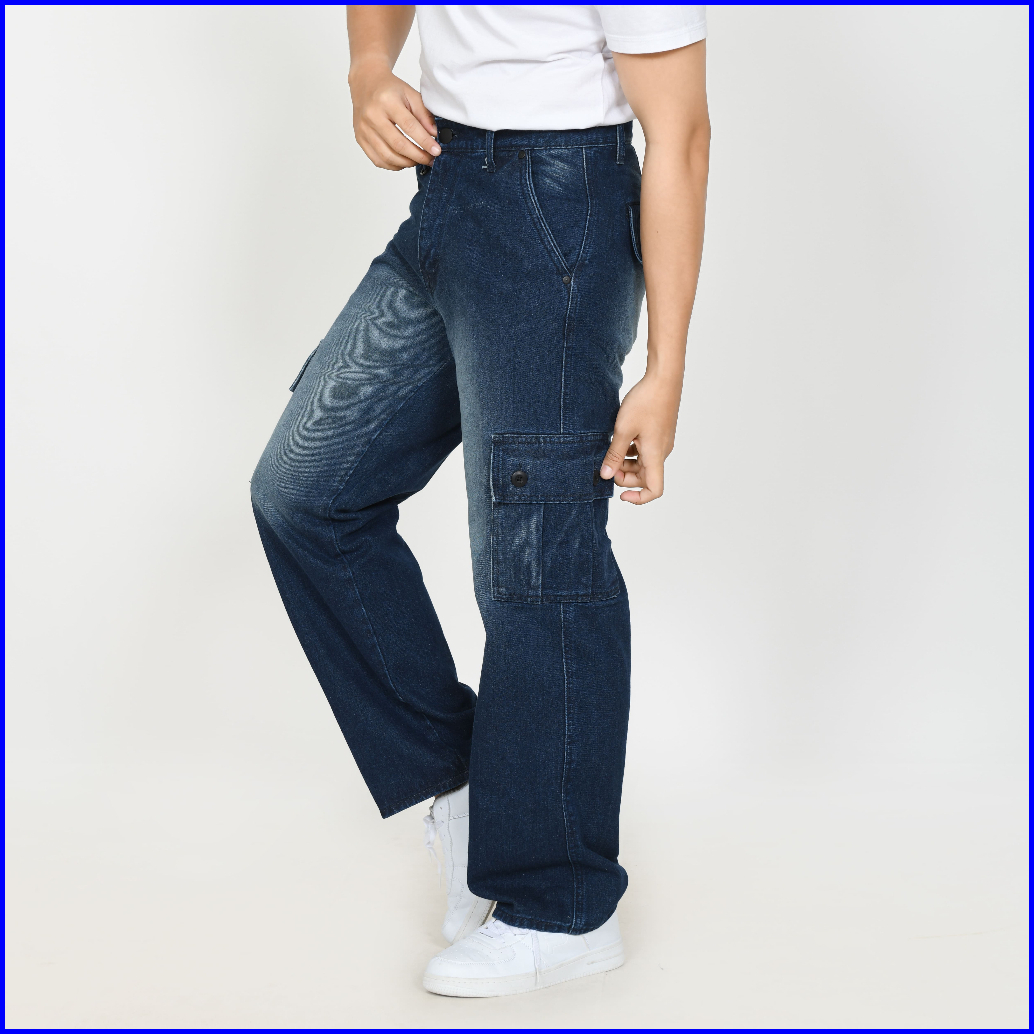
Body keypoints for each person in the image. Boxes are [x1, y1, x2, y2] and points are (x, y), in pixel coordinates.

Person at [250, 4, 709, 998]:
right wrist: (368, 65)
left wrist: (664, 369)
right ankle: (461, 780)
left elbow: (678, 132)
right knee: (307, 492)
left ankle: (562, 905)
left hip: (557, 210)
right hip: (447, 190)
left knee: (536, 559)